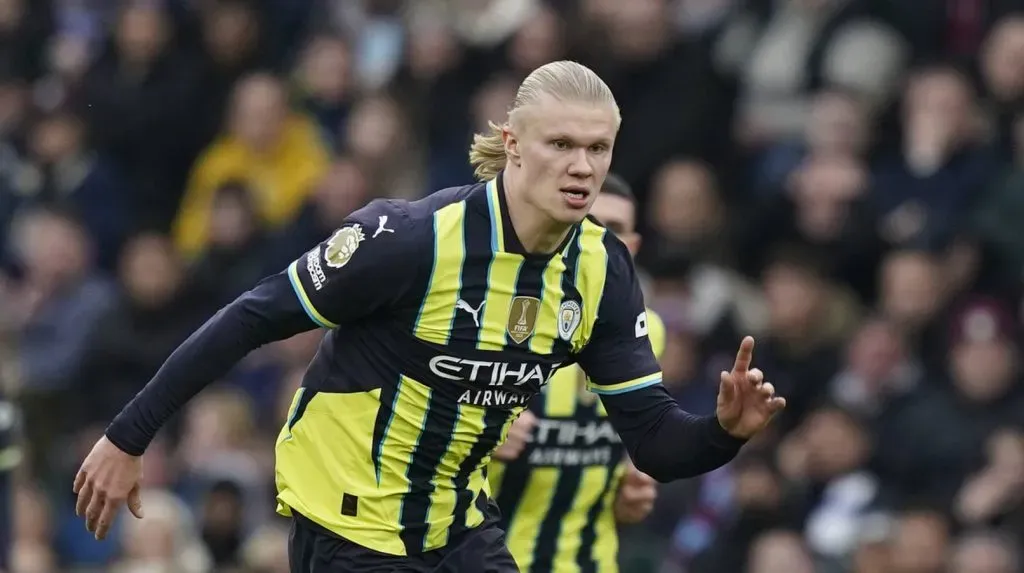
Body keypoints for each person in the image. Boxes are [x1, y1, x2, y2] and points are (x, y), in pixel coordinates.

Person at [73, 60, 785, 572]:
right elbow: (252, 316)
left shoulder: (600, 268)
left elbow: (656, 440)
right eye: (560, 144)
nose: (581, 166)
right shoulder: (413, 238)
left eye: (597, 148)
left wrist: (724, 431)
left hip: (455, 525)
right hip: (350, 526)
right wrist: (127, 436)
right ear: (512, 144)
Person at [487, 173, 664, 573]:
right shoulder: (496, 326)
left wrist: (622, 497)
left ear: (632, 249)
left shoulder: (649, 332)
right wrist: (474, 436)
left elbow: (625, 459)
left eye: (614, 231)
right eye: (587, 223)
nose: (599, 241)